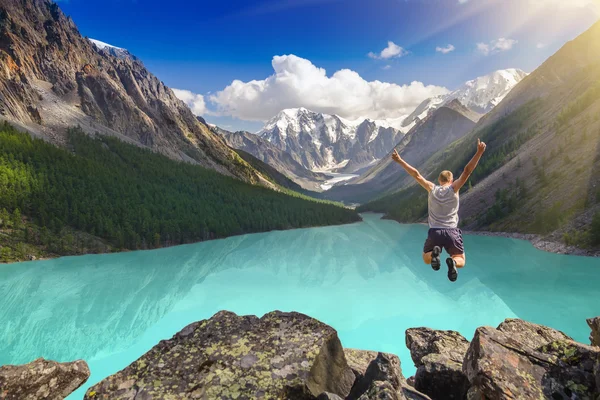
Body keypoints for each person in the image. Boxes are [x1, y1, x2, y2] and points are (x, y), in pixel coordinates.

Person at [391, 139, 487, 282]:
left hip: (434, 231)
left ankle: (434, 255)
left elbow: (416, 174)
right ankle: (453, 262)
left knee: (426, 258)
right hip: (452, 231)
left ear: (439, 180)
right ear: (451, 179)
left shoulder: (432, 188)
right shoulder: (454, 188)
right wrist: (479, 152)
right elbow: (467, 171)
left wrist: (399, 161)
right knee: (460, 258)